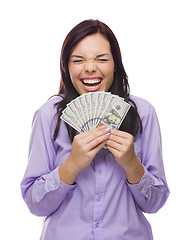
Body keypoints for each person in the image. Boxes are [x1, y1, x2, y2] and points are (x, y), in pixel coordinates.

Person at [21, 19, 169, 240]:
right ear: (66, 66)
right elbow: (35, 204)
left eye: (102, 59)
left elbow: (155, 203)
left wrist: (132, 165)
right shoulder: (48, 115)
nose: (90, 67)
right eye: (78, 60)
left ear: (115, 64)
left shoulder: (143, 113)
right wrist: (72, 165)